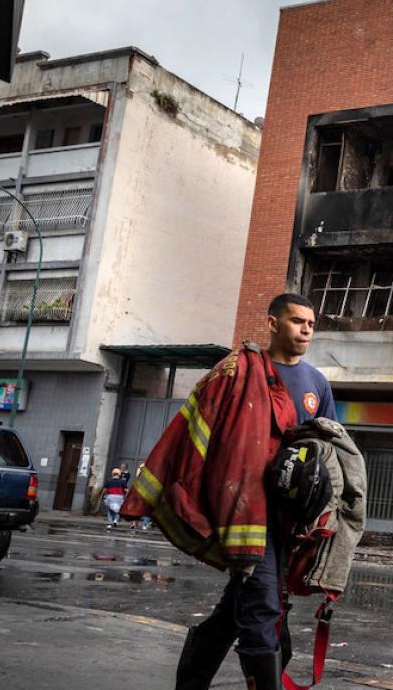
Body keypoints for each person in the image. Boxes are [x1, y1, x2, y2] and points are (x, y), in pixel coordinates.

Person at [121, 293, 334, 690]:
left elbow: (328, 454)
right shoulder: (236, 371)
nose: (306, 329)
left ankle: (192, 680)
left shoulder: (317, 384)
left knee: (241, 608)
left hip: (290, 520)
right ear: (272, 324)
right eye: (296, 321)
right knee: (264, 608)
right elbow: (197, 439)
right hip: (245, 514)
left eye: (311, 323)